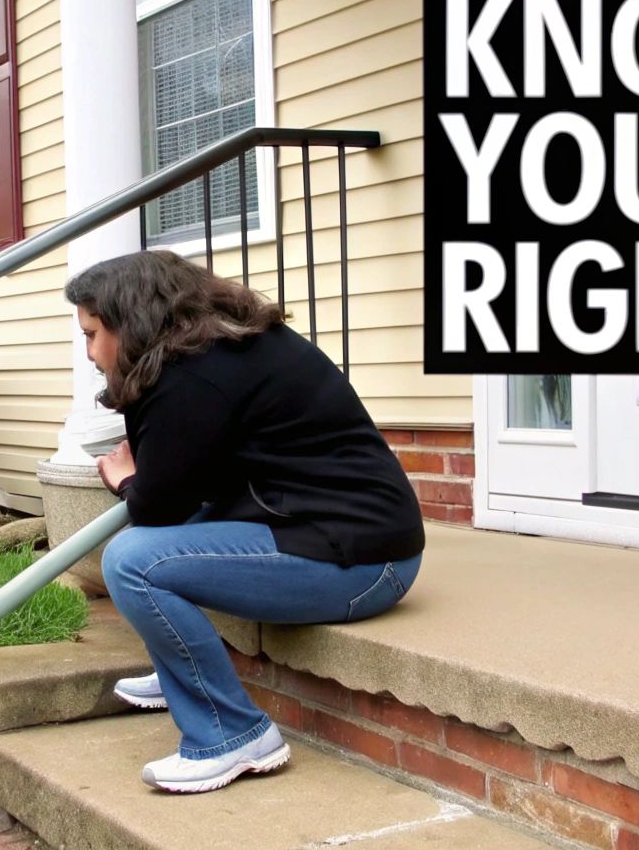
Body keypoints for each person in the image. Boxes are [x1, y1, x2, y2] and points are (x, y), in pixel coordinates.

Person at [64, 250, 425, 794]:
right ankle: (182, 674)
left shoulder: (195, 377)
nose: (90, 352)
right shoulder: (217, 351)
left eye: (93, 333)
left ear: (130, 322)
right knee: (160, 543)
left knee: (134, 561)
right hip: (330, 532)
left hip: (369, 563)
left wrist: (123, 479)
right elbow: (186, 483)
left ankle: (232, 734)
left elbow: (158, 506)